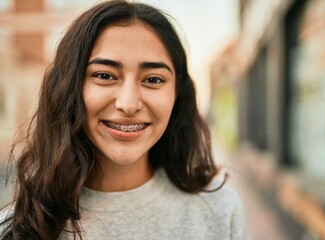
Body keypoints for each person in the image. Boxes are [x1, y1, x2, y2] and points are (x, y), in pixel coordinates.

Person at [0, 1, 252, 239]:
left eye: (153, 79)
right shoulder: (21, 227)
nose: (129, 104)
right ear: (69, 88)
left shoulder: (219, 211)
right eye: (104, 75)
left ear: (177, 94)